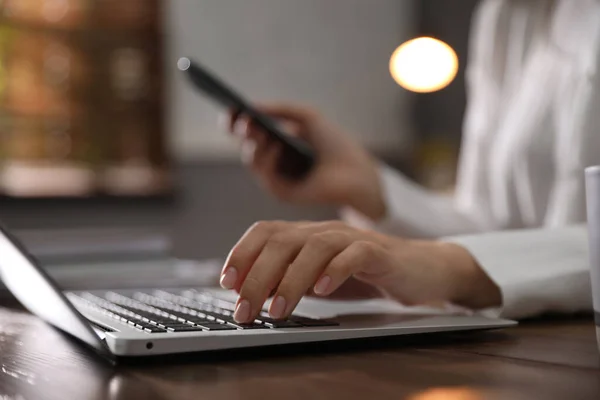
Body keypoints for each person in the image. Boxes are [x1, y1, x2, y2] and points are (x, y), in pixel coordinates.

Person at [219, 0, 600, 324]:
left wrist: (450, 266)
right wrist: (370, 189)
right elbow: (490, 228)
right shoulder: (503, 17)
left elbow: (471, 260)